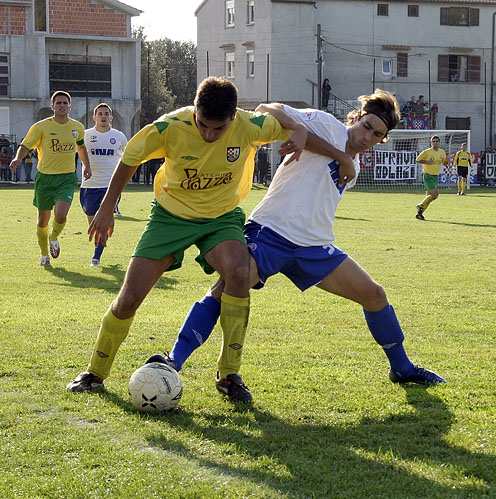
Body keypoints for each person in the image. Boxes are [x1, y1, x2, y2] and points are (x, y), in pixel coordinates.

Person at [147, 89, 444, 400]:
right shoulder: (327, 125)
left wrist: (345, 160)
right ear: (356, 118)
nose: (368, 135)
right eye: (366, 125)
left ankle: (403, 368)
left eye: (377, 134)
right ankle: (174, 362)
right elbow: (267, 107)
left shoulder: (352, 167)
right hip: (271, 233)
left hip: (315, 247)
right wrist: (338, 153)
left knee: (375, 295)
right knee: (227, 289)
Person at [65, 77, 312, 399]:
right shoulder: (169, 127)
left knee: (239, 273)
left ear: (233, 117)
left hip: (221, 218)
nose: (209, 135)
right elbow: (129, 160)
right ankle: (95, 374)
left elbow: (279, 118)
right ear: (194, 110)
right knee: (129, 297)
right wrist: (106, 208)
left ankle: (229, 375)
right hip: (169, 218)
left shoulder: (251, 125)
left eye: (218, 129)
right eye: (202, 125)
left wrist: (299, 129)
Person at [9, 91, 91, 267]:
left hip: (67, 178)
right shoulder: (41, 127)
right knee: (42, 220)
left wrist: (87, 166)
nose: (62, 106)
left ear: (70, 106)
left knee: (61, 215)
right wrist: (17, 158)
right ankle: (44, 254)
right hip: (45, 179)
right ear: (52, 106)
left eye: (65, 103)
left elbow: (81, 147)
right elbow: (26, 145)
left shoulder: (77, 127)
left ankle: (54, 237)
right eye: (59, 103)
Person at [79, 103, 128, 268]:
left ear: (111, 117)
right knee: (93, 221)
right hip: (89, 186)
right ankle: (102, 239)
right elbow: (76, 151)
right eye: (100, 113)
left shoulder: (119, 136)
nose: (103, 116)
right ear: (94, 117)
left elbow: (127, 158)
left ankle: (96, 257)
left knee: (103, 220)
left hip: (110, 186)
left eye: (106, 113)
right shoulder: (85, 135)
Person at [415, 135, 448, 220]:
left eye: (437, 141)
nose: (435, 143)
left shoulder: (442, 152)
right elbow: (417, 160)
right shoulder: (427, 152)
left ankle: (419, 214)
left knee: (429, 197)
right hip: (428, 175)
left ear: (439, 142)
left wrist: (446, 161)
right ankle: (420, 205)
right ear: (431, 142)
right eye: (434, 141)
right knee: (435, 195)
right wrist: (427, 161)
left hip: (435, 176)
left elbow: (444, 163)